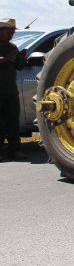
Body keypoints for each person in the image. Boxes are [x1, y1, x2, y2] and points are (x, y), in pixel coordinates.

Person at [0, 18, 28, 161]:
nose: (11, 34)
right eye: (8, 31)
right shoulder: (7, 50)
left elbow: (19, 67)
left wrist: (21, 58)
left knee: (13, 121)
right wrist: (6, 58)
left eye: (13, 31)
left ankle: (14, 151)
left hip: (10, 90)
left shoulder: (12, 47)